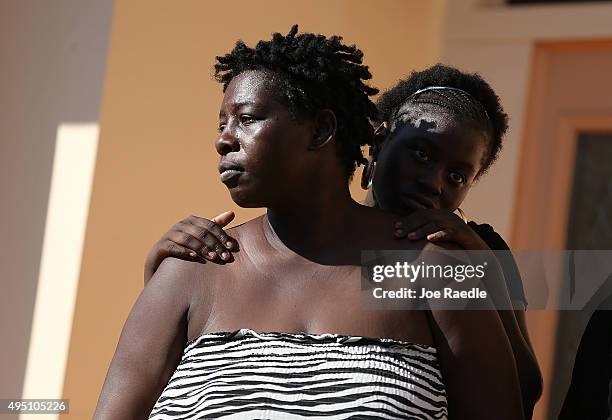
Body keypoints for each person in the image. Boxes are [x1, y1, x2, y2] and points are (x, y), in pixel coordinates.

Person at [95, 27, 522, 419]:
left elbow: (522, 394)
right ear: (380, 140)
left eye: (247, 119)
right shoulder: (189, 267)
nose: (223, 139)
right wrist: (156, 274)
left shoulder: (446, 268)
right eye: (223, 123)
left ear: (321, 130)